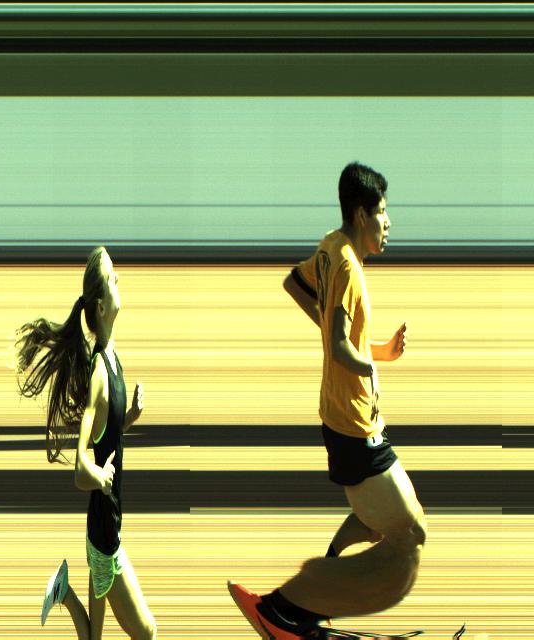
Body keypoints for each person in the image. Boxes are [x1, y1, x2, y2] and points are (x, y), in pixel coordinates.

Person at [233, 162, 429, 640]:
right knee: (411, 534)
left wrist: (380, 350)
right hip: (354, 426)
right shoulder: (346, 266)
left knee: (376, 520)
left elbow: (297, 287)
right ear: (362, 214)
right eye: (382, 212)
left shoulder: (330, 247)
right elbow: (341, 346)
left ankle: (308, 598)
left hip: (350, 421)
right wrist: (369, 367)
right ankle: (283, 610)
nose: (388, 223)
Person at [19, 249, 156, 640]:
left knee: (95, 638)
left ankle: (63, 590)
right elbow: (81, 468)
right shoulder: (99, 372)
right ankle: (63, 591)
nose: (119, 280)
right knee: (147, 632)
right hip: (104, 538)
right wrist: (100, 477)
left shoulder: (113, 356)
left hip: (106, 527)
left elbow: (104, 435)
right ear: (101, 306)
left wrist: (128, 418)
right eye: (113, 278)